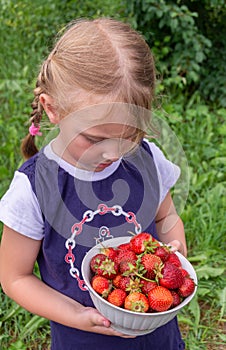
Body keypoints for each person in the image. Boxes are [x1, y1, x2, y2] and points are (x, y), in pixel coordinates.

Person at [0, 18, 187, 349]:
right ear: (52, 109)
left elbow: (166, 217)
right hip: (83, 339)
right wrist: (74, 314)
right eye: (94, 137)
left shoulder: (147, 160)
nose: (113, 152)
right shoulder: (34, 189)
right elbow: (15, 277)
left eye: (129, 136)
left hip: (156, 336)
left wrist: (175, 249)